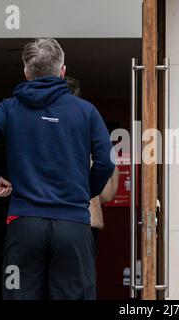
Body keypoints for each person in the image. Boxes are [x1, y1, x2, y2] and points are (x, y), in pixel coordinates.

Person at [0, 38, 115, 300]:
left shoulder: (10, 108)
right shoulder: (86, 112)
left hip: (24, 225)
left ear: (26, 72)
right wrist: (86, 192)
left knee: (18, 295)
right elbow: (104, 161)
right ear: (62, 71)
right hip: (73, 226)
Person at [64, 76, 120, 256]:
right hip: (85, 222)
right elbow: (107, 193)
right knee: (80, 283)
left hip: (41, 222)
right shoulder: (89, 131)